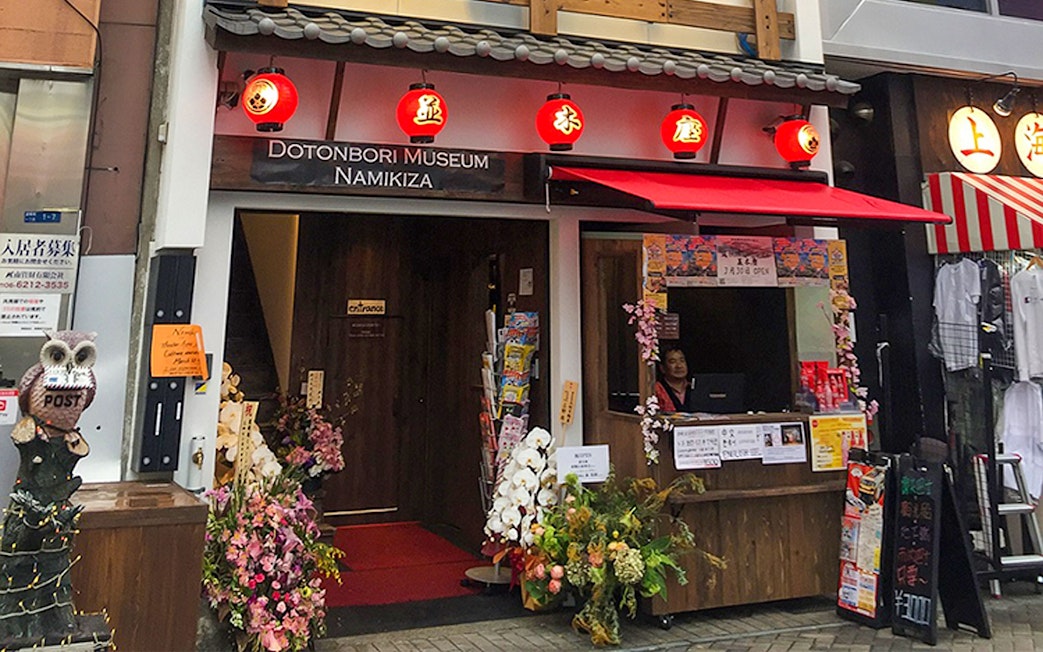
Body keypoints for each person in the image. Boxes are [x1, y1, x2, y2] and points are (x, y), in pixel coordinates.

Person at [654, 346, 694, 413]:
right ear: (662, 368)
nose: (679, 366)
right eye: (672, 362)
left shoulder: (694, 387)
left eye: (682, 361)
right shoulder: (656, 389)